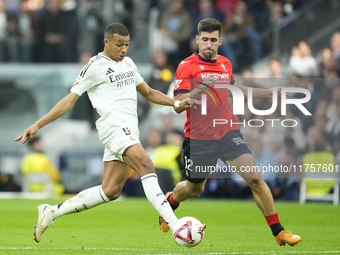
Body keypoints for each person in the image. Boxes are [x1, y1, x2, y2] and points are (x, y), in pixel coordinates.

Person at [14, 23, 195, 243]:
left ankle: (51, 212)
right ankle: (176, 225)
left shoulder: (128, 63)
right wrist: (38, 125)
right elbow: (69, 102)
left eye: (127, 45)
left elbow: (149, 92)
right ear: (106, 41)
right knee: (146, 165)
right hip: (113, 127)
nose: (124, 49)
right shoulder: (95, 66)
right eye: (119, 44)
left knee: (110, 191)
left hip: (129, 130)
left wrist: (174, 102)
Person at [159, 18, 302, 247]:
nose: (208, 44)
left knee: (254, 178)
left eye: (213, 40)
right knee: (195, 189)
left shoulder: (225, 63)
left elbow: (233, 89)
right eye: (204, 40)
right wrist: (203, 87)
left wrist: (266, 94)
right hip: (198, 138)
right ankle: (172, 200)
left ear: (220, 41)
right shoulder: (186, 66)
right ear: (197, 40)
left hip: (228, 132)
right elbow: (178, 102)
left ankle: (279, 231)